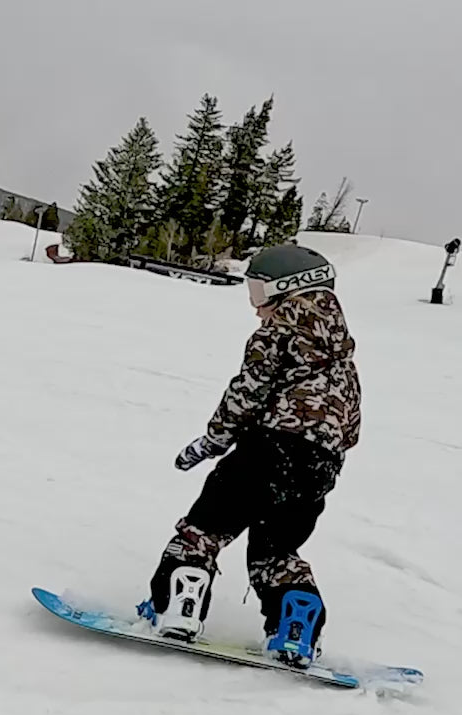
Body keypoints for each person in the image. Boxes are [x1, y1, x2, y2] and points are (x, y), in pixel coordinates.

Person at [138, 242, 363, 668]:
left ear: (286, 289)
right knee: (275, 552)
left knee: (205, 529)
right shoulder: (342, 359)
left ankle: (176, 607)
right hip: (319, 467)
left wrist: (214, 440)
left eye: (258, 293)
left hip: (265, 450)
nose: (255, 307)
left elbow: (248, 391)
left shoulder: (278, 331)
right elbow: (349, 428)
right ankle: (293, 629)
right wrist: (320, 460)